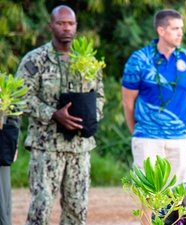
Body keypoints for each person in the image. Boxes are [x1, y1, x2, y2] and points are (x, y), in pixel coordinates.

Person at [15, 5, 104, 225]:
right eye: (61, 23)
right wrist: (53, 114)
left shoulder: (88, 62)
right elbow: (21, 96)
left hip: (79, 148)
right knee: (41, 205)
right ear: (51, 26)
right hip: (46, 147)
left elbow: (99, 95)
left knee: (77, 207)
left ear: (76, 26)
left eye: (70, 24)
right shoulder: (36, 60)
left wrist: (90, 117)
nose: (66, 28)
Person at [122, 9, 186, 186]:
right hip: (147, 137)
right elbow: (128, 102)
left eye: (181, 28)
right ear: (161, 30)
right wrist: (137, 133)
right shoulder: (139, 59)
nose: (180, 33)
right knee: (148, 195)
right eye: (175, 28)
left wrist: (177, 125)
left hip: (179, 139)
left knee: (179, 198)